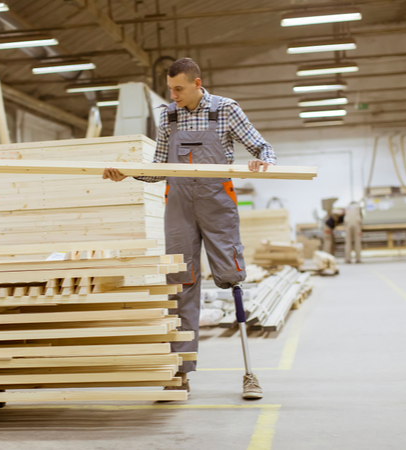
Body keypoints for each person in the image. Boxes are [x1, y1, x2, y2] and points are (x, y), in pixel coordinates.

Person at [102, 58, 277, 399]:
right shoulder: (168, 116)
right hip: (179, 203)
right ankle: (179, 372)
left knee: (231, 275)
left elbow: (262, 147)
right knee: (180, 282)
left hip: (217, 201)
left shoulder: (226, 110)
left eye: (178, 89)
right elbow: (160, 169)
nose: (173, 95)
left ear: (198, 84)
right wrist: (128, 172)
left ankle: (250, 373)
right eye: (170, 89)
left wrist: (263, 162)